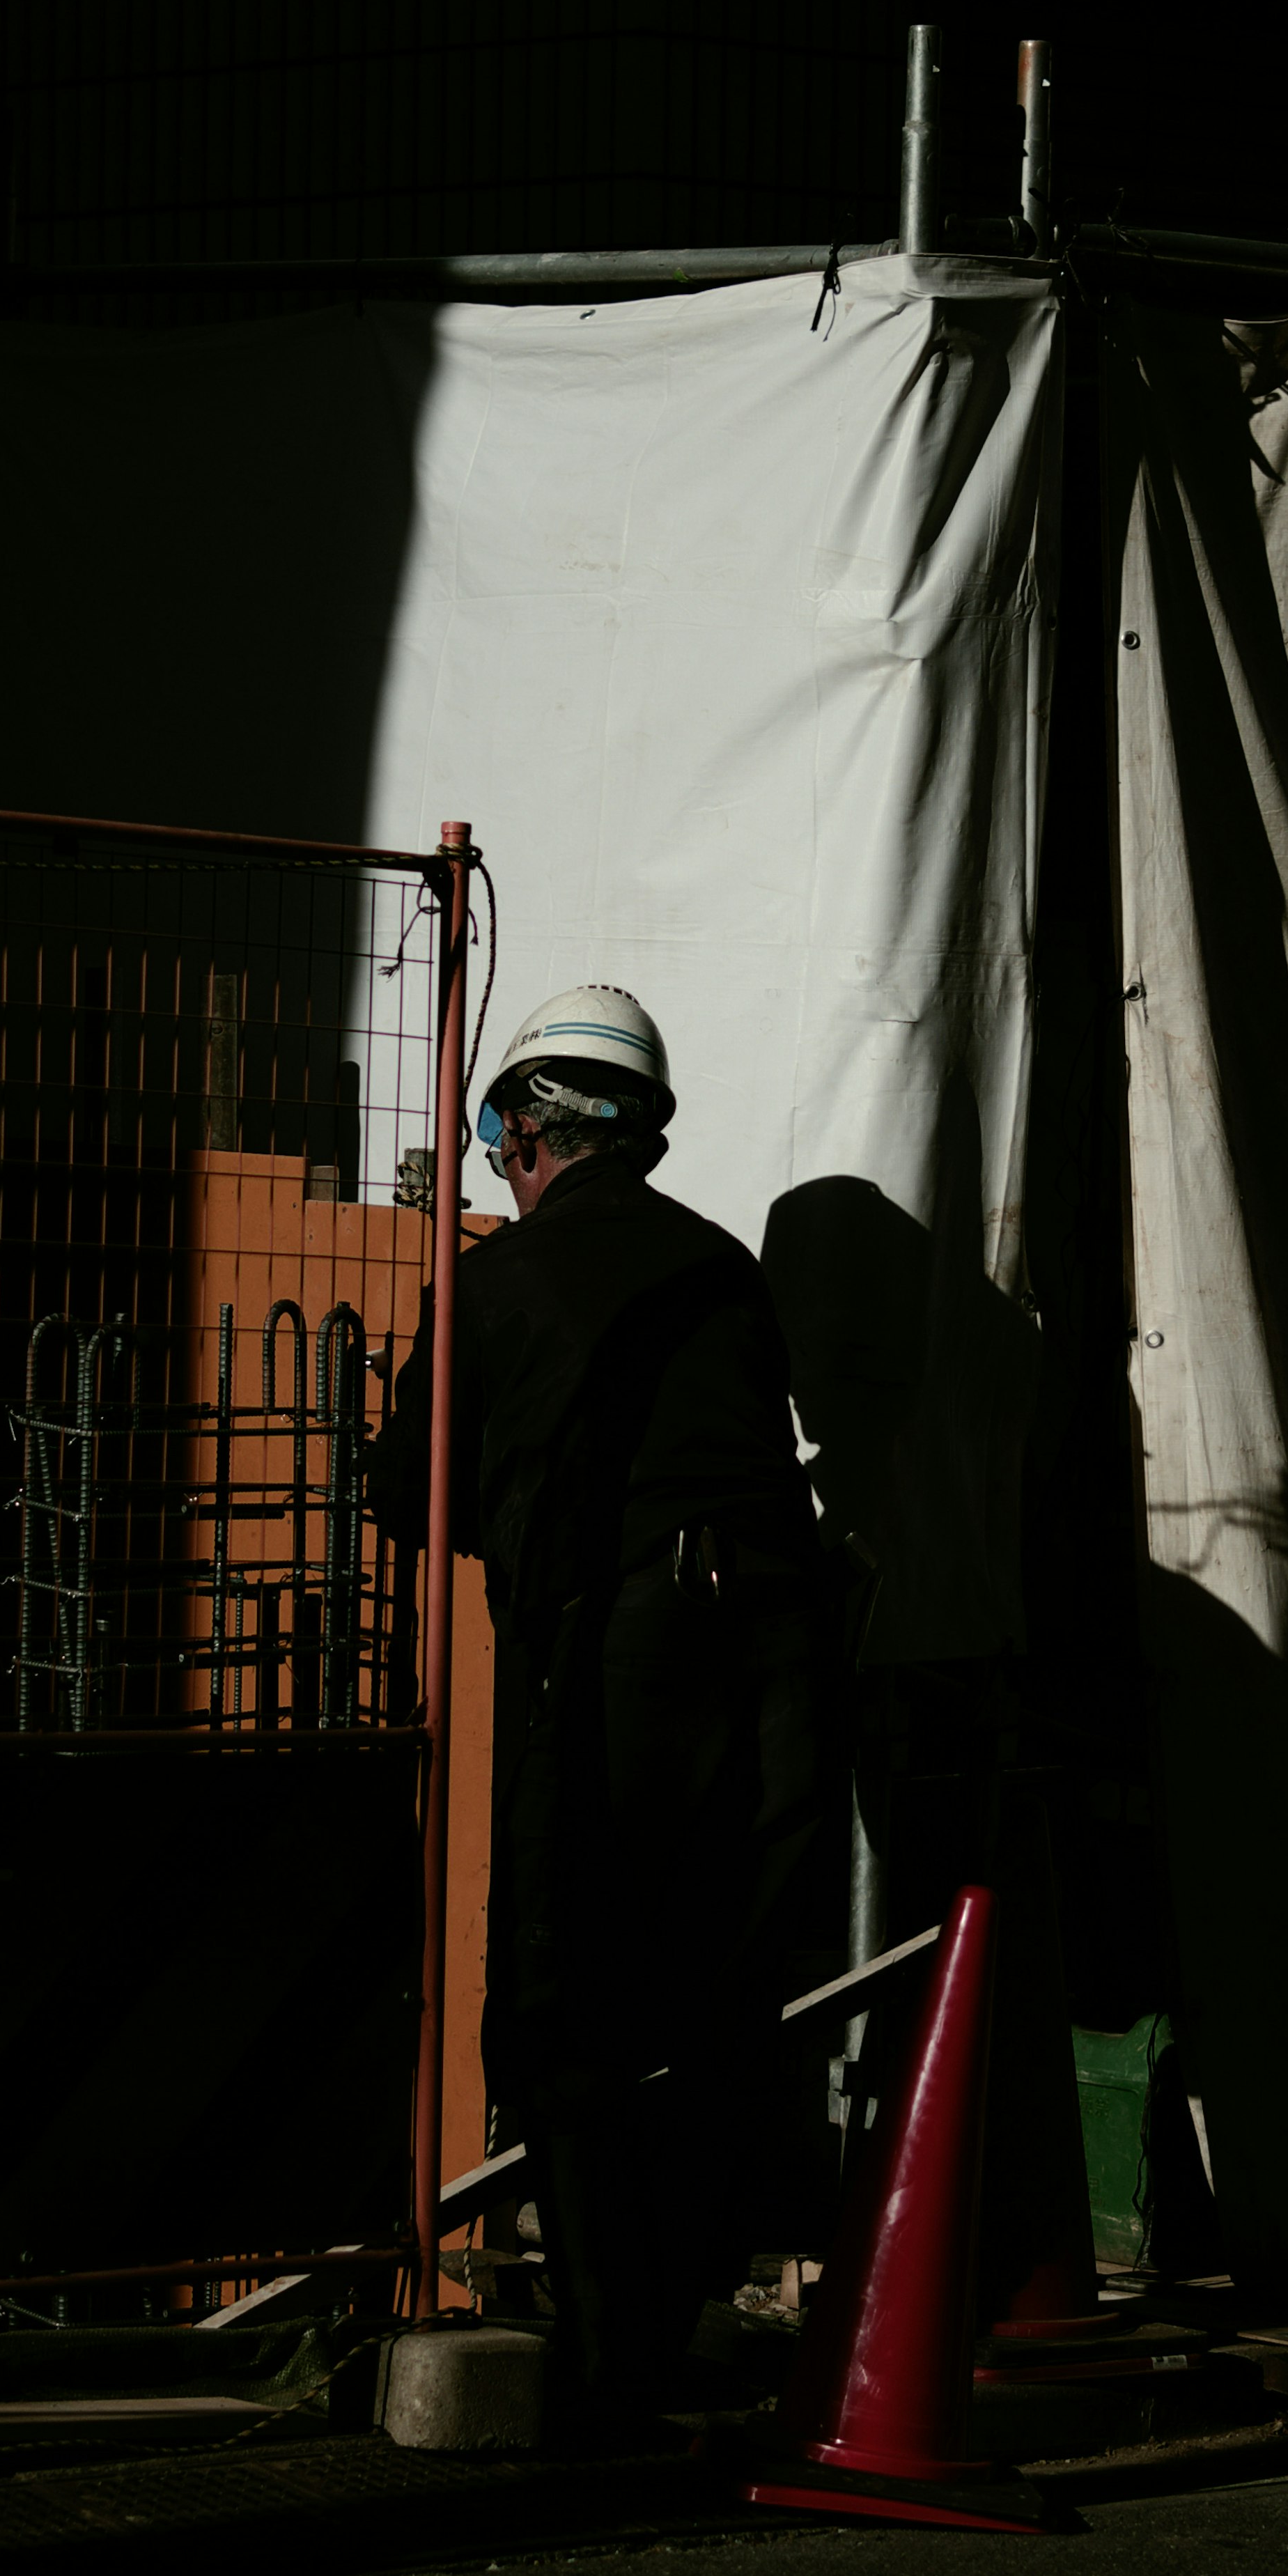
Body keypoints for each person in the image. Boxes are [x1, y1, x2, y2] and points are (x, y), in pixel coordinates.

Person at [371, 984, 832, 2421]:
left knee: (573, 1981)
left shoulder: (498, 1286)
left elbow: (405, 1491)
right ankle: (692, 2305)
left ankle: (613, 2343)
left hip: (613, 1654)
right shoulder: (725, 1268)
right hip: (775, 1657)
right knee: (722, 1979)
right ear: (646, 1128)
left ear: (517, 1130)